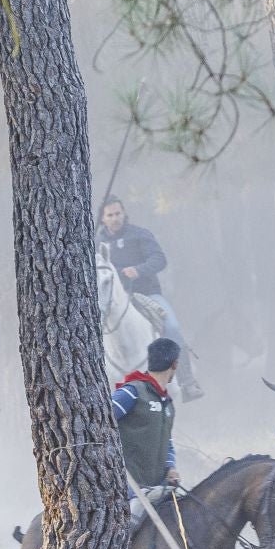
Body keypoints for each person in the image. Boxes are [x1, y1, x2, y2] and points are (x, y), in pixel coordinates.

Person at [97, 197, 184, 349]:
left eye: (118, 213)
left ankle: (181, 370)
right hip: (111, 301)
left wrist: (138, 270)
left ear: (124, 213)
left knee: (172, 327)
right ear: (103, 218)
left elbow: (159, 259)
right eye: (110, 215)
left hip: (146, 295)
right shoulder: (96, 243)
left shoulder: (140, 234)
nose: (115, 218)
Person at [111, 338, 182, 493]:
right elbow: (99, 422)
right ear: (174, 364)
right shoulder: (131, 392)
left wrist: (170, 468)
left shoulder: (168, 404)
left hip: (158, 488)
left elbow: (167, 441)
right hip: (127, 491)